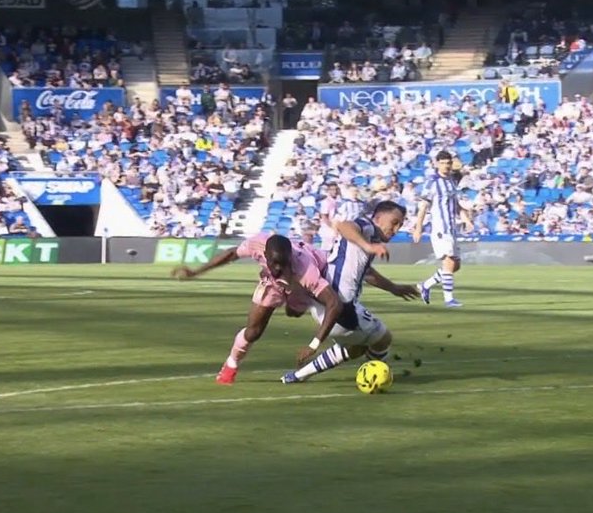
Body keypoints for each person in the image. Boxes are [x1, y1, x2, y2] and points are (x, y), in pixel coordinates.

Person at [171, 232, 345, 385]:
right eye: (274, 263)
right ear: (264, 255)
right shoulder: (257, 244)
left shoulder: (307, 271)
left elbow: (334, 303)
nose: (278, 268)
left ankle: (294, 303)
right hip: (273, 284)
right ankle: (231, 365)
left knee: (293, 313)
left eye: (282, 263)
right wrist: (196, 272)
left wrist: (314, 345)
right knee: (253, 331)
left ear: (290, 257)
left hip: (299, 286)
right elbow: (231, 253)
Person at [282, 201, 420, 384]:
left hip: (325, 305)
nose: (396, 229)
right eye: (394, 222)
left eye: (400, 225)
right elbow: (344, 226)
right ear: (378, 218)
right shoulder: (367, 227)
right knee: (383, 339)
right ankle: (374, 378)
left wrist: (394, 288)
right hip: (339, 306)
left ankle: (297, 376)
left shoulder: (369, 241)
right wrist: (369, 246)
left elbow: (367, 274)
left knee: (355, 348)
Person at [413, 151, 466, 308]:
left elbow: (455, 203)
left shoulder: (450, 181)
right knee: (449, 262)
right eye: (442, 163)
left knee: (455, 265)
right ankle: (449, 299)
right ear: (436, 164)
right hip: (440, 228)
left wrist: (465, 218)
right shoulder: (432, 182)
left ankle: (425, 285)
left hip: (452, 227)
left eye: (448, 163)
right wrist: (418, 227)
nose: (446, 166)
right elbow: (423, 206)